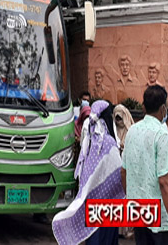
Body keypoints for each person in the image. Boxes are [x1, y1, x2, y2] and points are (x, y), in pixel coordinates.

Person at [53, 100, 125, 244]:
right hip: (108, 202)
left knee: (93, 236)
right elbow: (118, 171)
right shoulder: (108, 143)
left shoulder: (89, 140)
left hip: (91, 199)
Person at [122, 85, 168, 244]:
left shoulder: (132, 131)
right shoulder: (161, 134)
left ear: (143, 106)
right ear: (163, 108)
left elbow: (124, 172)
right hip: (159, 217)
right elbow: (164, 182)